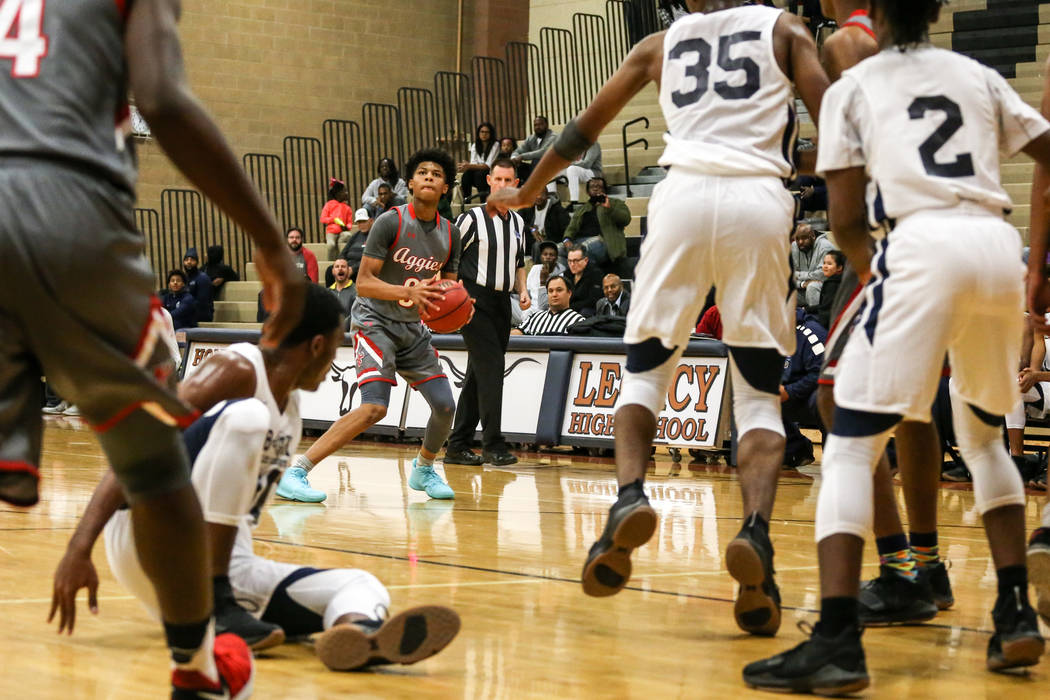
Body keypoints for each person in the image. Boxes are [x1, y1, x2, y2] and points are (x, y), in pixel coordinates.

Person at [488, 0, 829, 639]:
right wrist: (793, 154)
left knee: (645, 375)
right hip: (759, 197)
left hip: (681, 198)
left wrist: (531, 191)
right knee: (757, 397)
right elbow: (840, 121)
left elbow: (578, 134)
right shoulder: (783, 27)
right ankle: (756, 534)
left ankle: (629, 497)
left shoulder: (657, 44)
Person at [1, 1, 306, 696]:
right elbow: (162, 98)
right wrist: (267, 239)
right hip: (68, 205)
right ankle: (196, 668)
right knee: (154, 465)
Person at [745, 1, 1050, 692]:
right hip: (996, 245)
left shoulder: (853, 87)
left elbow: (847, 218)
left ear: (872, 11)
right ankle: (1014, 615)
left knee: (849, 442)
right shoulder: (975, 73)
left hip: (918, 244)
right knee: (981, 439)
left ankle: (837, 638)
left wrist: (889, 273)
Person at [50, 285, 461, 670]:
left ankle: (360, 636)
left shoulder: (291, 411)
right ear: (317, 346)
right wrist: (79, 547)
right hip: (153, 539)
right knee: (247, 417)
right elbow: (142, 445)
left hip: (223, 565)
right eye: (336, 346)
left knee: (360, 585)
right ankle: (217, 600)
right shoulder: (237, 368)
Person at [815, 0, 949, 629]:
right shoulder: (933, 58)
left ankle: (898, 571)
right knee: (915, 407)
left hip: (888, 234)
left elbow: (850, 146)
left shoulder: (847, 41)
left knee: (834, 399)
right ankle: (928, 564)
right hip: (948, 229)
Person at [277, 149, 464, 503]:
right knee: (375, 408)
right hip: (374, 321)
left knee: (444, 406)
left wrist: (454, 307)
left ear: (445, 187)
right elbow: (363, 283)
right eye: (421, 172)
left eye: (436, 174)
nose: (428, 177)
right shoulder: (389, 222)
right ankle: (296, 470)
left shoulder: (451, 235)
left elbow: (447, 290)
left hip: (412, 330)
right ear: (409, 183)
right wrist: (408, 290)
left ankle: (424, 469)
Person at [445, 158, 530, 467]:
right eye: (499, 180)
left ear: (516, 184)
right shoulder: (471, 219)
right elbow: (450, 258)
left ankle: (457, 445)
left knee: (478, 375)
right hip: (473, 302)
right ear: (490, 182)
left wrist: (522, 288)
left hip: (502, 304)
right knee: (493, 369)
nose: (504, 185)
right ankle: (493, 444)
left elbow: (519, 263)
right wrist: (452, 296)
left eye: (510, 180)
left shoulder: (519, 223)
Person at [781, 309, 826, 468]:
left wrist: (789, 391)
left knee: (823, 399)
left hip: (814, 395)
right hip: (791, 395)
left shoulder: (811, 333)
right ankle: (797, 450)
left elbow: (821, 373)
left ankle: (833, 458)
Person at [563, 177, 632, 267]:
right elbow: (571, 227)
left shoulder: (615, 203)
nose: (595, 188)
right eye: (592, 187)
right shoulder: (582, 209)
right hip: (580, 239)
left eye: (599, 186)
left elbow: (626, 219)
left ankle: (591, 277)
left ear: (604, 189)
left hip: (604, 241)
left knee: (582, 250)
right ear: (588, 192)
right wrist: (567, 239)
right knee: (557, 250)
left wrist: (609, 208)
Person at [512, 275, 585, 335]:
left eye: (559, 290)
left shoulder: (579, 321)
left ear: (569, 293)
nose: (554, 294)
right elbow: (517, 333)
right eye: (550, 291)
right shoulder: (535, 317)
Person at [790, 221, 835, 306]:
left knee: (812, 286)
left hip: (822, 290)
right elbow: (789, 275)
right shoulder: (794, 246)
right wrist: (802, 284)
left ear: (813, 236)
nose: (800, 242)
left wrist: (798, 275)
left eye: (804, 238)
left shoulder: (825, 247)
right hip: (801, 288)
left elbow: (822, 274)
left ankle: (813, 317)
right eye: (797, 238)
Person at [522, 189, 571, 260]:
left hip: (553, 242)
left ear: (547, 196)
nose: (538, 197)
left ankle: (539, 269)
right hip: (531, 242)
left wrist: (566, 240)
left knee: (537, 246)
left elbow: (567, 228)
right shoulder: (528, 208)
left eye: (541, 194)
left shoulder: (557, 210)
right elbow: (517, 221)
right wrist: (531, 229)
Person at [457, 121, 498, 202]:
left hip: (491, 172)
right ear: (478, 133)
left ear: (491, 134)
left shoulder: (495, 145)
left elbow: (488, 165)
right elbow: (474, 163)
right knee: (466, 175)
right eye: (482, 132)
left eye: (487, 132)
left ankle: (484, 201)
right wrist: (469, 166)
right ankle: (466, 200)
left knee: (480, 175)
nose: (484, 134)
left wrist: (469, 165)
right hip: (477, 173)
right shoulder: (475, 145)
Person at [526, 241, 566, 316]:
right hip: (529, 309)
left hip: (546, 313)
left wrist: (543, 282)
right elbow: (527, 293)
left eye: (551, 255)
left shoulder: (560, 275)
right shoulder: (535, 268)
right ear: (541, 256)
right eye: (545, 254)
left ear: (556, 258)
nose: (547, 257)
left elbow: (544, 306)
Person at [511, 116, 557, 183]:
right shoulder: (531, 138)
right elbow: (518, 151)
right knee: (519, 166)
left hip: (553, 167)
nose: (538, 127)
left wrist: (522, 156)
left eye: (540, 124)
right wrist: (514, 158)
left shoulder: (553, 136)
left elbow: (542, 153)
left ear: (546, 125)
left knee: (537, 160)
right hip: (537, 168)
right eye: (535, 125)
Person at [565, 245, 605, 319]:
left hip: (588, 311)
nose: (572, 264)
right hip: (570, 310)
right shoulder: (567, 274)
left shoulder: (596, 274)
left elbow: (593, 301)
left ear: (586, 260)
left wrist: (569, 307)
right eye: (569, 261)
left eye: (576, 261)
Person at [806, 249, 843, 329]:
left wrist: (807, 309)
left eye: (829, 264)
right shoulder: (837, 280)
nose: (825, 266)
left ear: (839, 267)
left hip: (827, 325)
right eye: (824, 263)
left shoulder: (832, 284)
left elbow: (825, 309)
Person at [321, 178, 355, 261]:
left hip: (342, 232)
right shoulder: (329, 204)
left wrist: (347, 227)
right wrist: (333, 219)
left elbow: (350, 222)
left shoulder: (347, 208)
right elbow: (323, 219)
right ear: (338, 193)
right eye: (345, 191)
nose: (347, 193)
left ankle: (340, 259)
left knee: (348, 235)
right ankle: (330, 263)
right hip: (331, 232)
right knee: (331, 245)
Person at [183, 247, 214, 323]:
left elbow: (201, 303)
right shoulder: (184, 278)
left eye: (192, 260)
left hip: (202, 314)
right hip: (188, 312)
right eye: (186, 260)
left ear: (197, 262)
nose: (189, 262)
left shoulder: (203, 278)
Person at [328, 257, 356, 326]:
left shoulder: (356, 291)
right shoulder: (327, 292)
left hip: (349, 333)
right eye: (337, 267)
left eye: (343, 266)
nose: (340, 268)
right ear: (333, 271)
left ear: (349, 270)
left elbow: (355, 317)